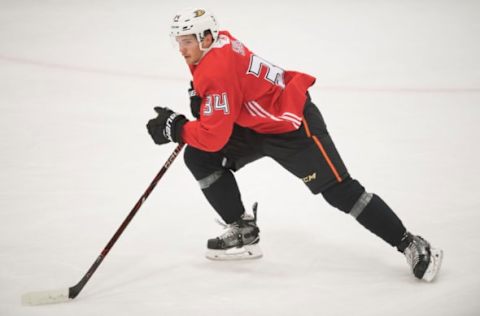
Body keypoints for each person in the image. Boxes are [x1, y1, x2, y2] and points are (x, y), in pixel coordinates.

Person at [146, 8, 443, 281]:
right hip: (254, 123)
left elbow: (214, 133)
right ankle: (243, 229)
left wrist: (179, 128)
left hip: (292, 124)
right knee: (200, 157)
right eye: (178, 42)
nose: (182, 50)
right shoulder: (219, 42)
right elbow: (225, 96)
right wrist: (205, 101)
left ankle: (410, 242)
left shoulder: (215, 68)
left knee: (341, 192)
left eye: (187, 41)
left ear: (206, 37)